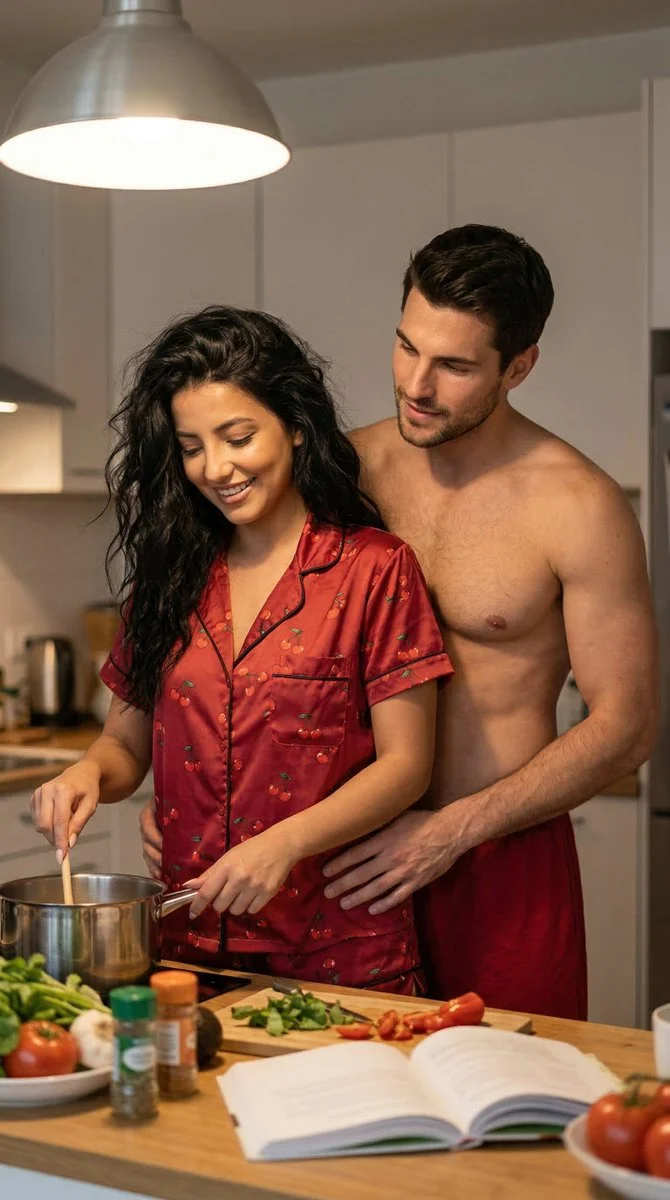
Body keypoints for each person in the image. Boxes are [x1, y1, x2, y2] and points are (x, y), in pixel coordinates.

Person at [138, 226, 658, 1019]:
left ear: (519, 366)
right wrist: (195, 805)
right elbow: (227, 618)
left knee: (512, 1107)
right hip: (340, 872)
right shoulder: (340, 469)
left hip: (496, 858)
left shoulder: (578, 506)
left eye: (453, 366)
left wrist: (451, 829)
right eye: (406, 346)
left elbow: (627, 725)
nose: (416, 384)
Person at [31, 306, 453, 994]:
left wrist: (283, 844)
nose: (215, 467)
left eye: (237, 436)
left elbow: (407, 766)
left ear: (293, 425)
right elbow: (124, 747)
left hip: (339, 951)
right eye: (192, 446)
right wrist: (86, 775)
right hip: (186, 950)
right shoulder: (170, 579)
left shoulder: (375, 569)